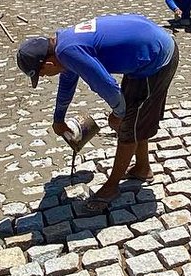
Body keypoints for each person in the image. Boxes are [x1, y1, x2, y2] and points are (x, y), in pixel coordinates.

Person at [16, 14, 178, 213]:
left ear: (48, 65)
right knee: (135, 119)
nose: (44, 77)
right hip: (145, 52)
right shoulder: (63, 45)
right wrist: (59, 119)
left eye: (41, 75)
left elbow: (107, 86)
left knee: (127, 125)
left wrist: (118, 114)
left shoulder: (68, 52)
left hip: (156, 59)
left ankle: (111, 187)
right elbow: (67, 85)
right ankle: (142, 168)